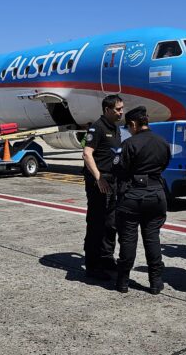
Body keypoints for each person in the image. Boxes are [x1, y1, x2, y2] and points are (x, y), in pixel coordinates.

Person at [112, 106, 171, 294]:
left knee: (128, 239)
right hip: (156, 194)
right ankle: (155, 281)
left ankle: (122, 282)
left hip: (133, 195)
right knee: (152, 238)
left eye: (129, 127)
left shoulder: (129, 144)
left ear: (133, 124)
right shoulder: (162, 142)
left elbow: (119, 169)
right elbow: (165, 164)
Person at [82, 94, 124, 279]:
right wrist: (99, 178)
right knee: (96, 223)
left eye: (122, 108)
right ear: (107, 110)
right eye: (117, 109)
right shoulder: (97, 128)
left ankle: (107, 258)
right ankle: (93, 264)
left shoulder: (115, 128)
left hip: (113, 181)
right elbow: (87, 154)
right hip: (99, 182)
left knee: (111, 223)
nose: (121, 112)